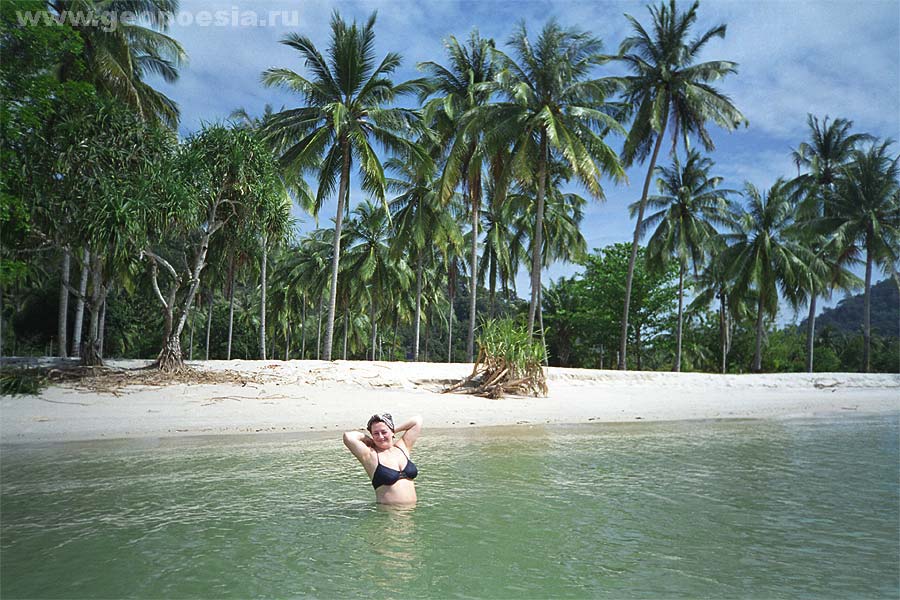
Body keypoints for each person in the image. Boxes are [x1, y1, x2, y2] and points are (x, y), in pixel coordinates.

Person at [343, 413, 422, 505]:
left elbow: (417, 420)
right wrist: (367, 438)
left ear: (392, 431)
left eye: (384, 432)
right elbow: (348, 436)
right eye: (376, 433)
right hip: (388, 515)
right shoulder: (370, 455)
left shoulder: (403, 447)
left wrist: (393, 430)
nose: (380, 437)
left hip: (412, 513)